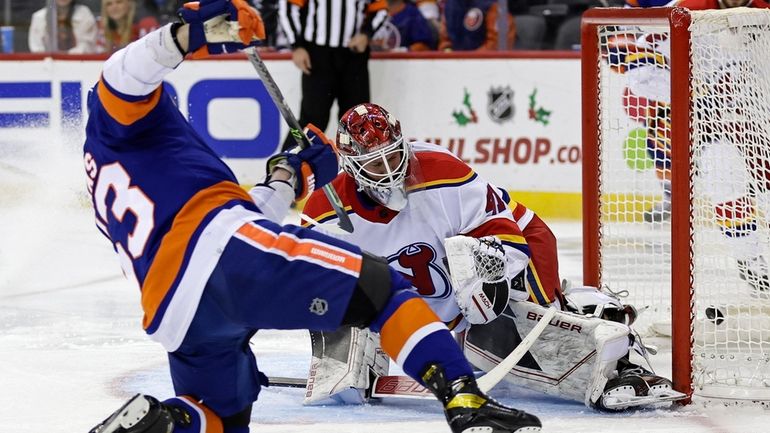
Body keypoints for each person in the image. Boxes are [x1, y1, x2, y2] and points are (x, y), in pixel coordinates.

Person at [83, 1, 542, 432]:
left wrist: (291, 171)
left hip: (173, 311)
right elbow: (123, 74)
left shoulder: (116, 173)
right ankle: (464, 397)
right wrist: (185, 35)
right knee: (379, 291)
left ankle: (162, 422)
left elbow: (247, 212)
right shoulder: (119, 120)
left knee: (219, 417)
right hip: (225, 250)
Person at [300, 102, 684, 410]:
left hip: (521, 245)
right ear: (350, 166)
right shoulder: (323, 212)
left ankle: (618, 358)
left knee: (510, 334)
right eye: (373, 163)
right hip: (446, 293)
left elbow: (511, 240)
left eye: (393, 156)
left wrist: (487, 277)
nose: (388, 171)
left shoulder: (440, 173)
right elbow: (306, 283)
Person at [611, 0, 770, 292]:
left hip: (753, 112)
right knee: (726, 183)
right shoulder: (687, 9)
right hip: (707, 122)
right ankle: (750, 260)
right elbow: (641, 74)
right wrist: (690, 96)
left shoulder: (760, 9)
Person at [277, 0, 387, 150]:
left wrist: (366, 34)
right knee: (312, 119)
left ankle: (361, 170)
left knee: (358, 119)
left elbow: (380, 8)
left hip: (354, 56)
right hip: (317, 55)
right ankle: (288, 165)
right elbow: (289, 7)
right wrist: (297, 45)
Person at [438, 0, 515, 51]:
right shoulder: (450, 5)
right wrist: (449, 57)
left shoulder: (493, 5)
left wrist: (470, 60)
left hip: (487, 68)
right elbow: (445, 40)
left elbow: (498, 44)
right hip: (454, 67)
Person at [28, 0, 98, 53]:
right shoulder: (38, 17)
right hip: (46, 66)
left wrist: (66, 58)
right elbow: (36, 48)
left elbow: (88, 46)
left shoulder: (84, 14)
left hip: (78, 65)